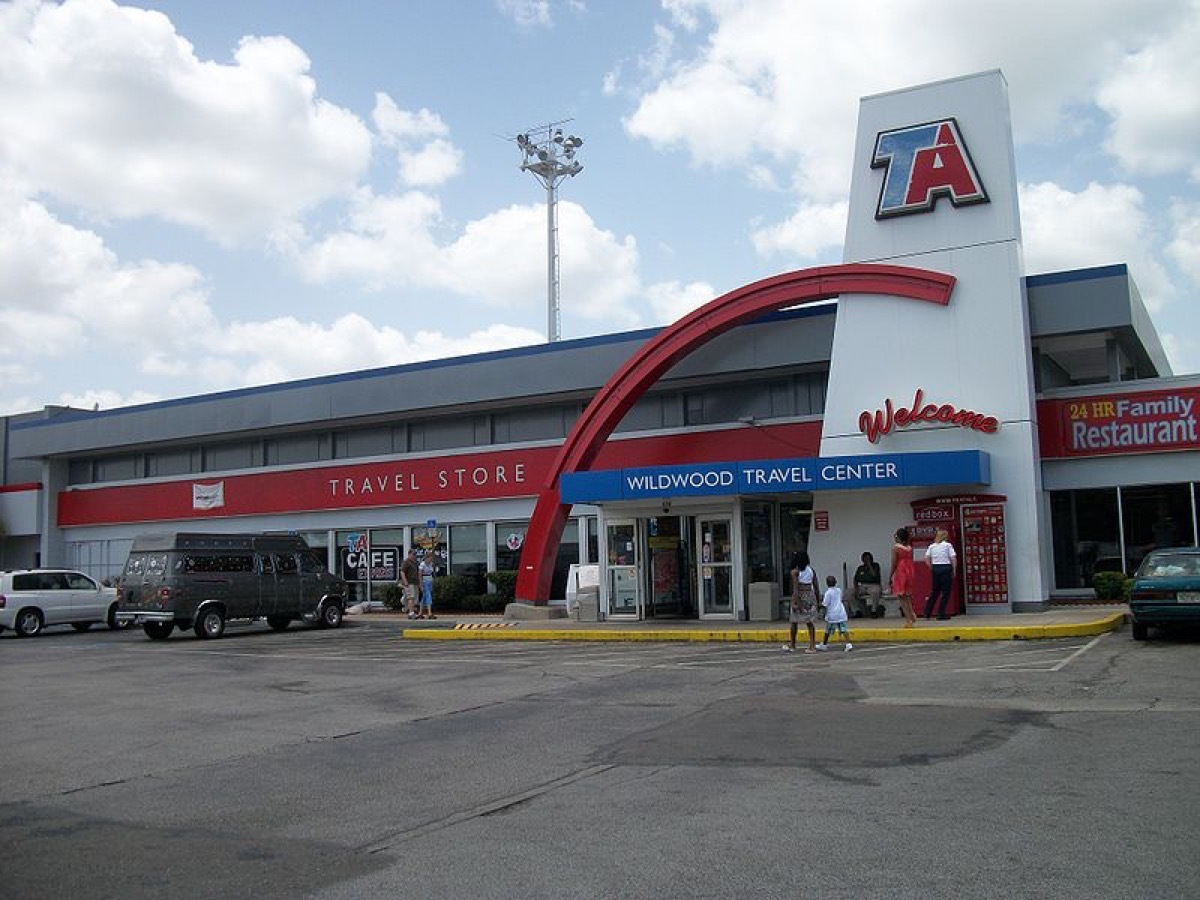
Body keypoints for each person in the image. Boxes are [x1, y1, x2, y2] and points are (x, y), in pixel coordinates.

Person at [782, 550, 819, 653]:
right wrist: (818, 600)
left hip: (800, 595)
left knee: (794, 622)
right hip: (810, 595)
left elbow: (796, 588)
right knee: (809, 622)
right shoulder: (811, 570)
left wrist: (795, 602)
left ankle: (793, 645)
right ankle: (812, 645)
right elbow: (816, 585)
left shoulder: (795, 572)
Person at [923, 528, 957, 620]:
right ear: (945, 537)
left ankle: (927, 612)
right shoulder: (948, 545)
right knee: (945, 592)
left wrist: (932, 567)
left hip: (936, 568)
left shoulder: (932, 546)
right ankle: (941, 613)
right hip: (946, 567)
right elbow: (953, 558)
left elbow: (926, 558)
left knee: (935, 591)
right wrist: (954, 569)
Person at [889, 527, 918, 627]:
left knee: (901, 596)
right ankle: (912, 614)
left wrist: (890, 576)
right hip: (909, 570)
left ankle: (908, 619)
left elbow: (894, 563)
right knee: (907, 595)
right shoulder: (909, 548)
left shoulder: (896, 548)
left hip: (901, 571)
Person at [817, 574, 852, 651]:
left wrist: (818, 606)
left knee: (827, 630)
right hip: (840, 612)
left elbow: (825, 604)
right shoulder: (839, 590)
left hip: (832, 614)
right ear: (835, 582)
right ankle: (848, 644)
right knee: (843, 629)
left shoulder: (828, 593)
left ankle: (824, 644)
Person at [852, 551, 884, 618]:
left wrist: (869, 565)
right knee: (848, 593)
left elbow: (874, 575)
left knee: (875, 592)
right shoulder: (860, 568)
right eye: (865, 559)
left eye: (868, 559)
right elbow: (855, 579)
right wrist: (856, 588)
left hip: (874, 585)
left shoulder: (876, 565)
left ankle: (874, 611)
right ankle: (857, 611)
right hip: (863, 586)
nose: (866, 560)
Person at [400, 549, 420, 620]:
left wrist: (419, 582)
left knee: (415, 599)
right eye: (413, 554)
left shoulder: (415, 562)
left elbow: (418, 572)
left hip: (415, 583)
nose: (414, 556)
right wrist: (405, 581)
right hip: (409, 583)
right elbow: (402, 572)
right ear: (409, 554)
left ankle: (408, 609)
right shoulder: (406, 562)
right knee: (411, 597)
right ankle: (411, 613)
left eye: (415, 554)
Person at [418, 554, 435, 619]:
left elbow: (431, 573)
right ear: (427, 558)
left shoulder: (430, 564)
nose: (431, 560)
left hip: (429, 581)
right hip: (424, 582)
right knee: (428, 596)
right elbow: (419, 574)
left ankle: (420, 613)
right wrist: (421, 584)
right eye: (430, 558)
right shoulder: (422, 564)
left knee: (424, 597)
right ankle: (429, 613)